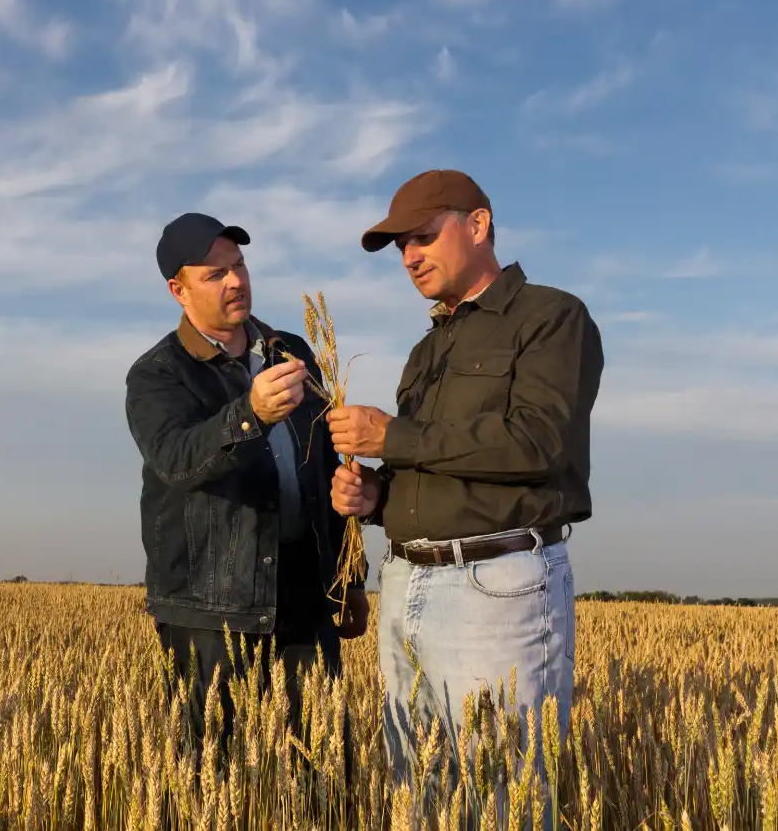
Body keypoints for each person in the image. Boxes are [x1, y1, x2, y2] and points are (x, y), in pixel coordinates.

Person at [326, 170, 604, 804]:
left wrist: (393, 438)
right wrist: (377, 498)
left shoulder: (551, 317)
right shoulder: (427, 349)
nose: (410, 257)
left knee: (501, 796)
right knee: (417, 796)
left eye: (422, 237)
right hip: (404, 583)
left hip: (496, 588)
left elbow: (540, 443)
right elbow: (439, 467)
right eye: (401, 248)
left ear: (478, 224)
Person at [125, 211, 369, 763]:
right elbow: (176, 459)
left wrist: (351, 577)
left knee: (321, 780)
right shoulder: (159, 375)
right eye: (214, 274)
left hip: (305, 600)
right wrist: (249, 414)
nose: (235, 281)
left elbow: (327, 468)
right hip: (212, 613)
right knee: (215, 780)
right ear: (178, 289)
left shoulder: (293, 353)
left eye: (238, 266)